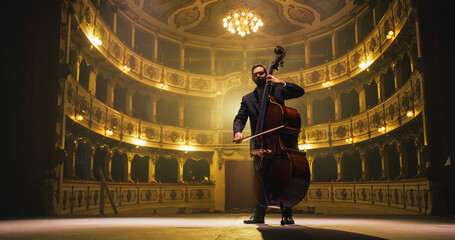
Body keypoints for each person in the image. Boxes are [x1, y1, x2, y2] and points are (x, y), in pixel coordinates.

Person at [233, 63, 305, 224]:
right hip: (259, 144)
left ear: (267, 74)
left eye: (262, 73)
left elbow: (300, 91)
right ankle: (259, 215)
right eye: (256, 74)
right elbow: (240, 118)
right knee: (261, 179)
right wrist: (238, 131)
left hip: (279, 143)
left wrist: (282, 82)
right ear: (252, 78)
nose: (259, 76)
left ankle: (286, 213)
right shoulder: (247, 99)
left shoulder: (278, 90)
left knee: (284, 176)